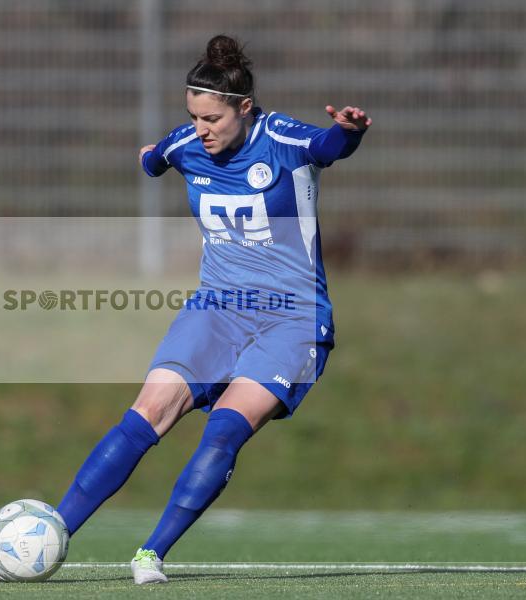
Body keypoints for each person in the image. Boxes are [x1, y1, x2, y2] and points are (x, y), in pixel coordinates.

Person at [56, 34, 371, 584]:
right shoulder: (187, 145)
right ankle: (51, 534)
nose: (202, 129)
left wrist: (347, 132)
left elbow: (326, 147)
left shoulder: (281, 138)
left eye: (212, 118)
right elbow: (156, 159)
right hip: (217, 307)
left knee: (224, 430)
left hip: (293, 318)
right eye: (194, 117)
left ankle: (150, 554)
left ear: (243, 108)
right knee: (147, 413)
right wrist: (151, 157)